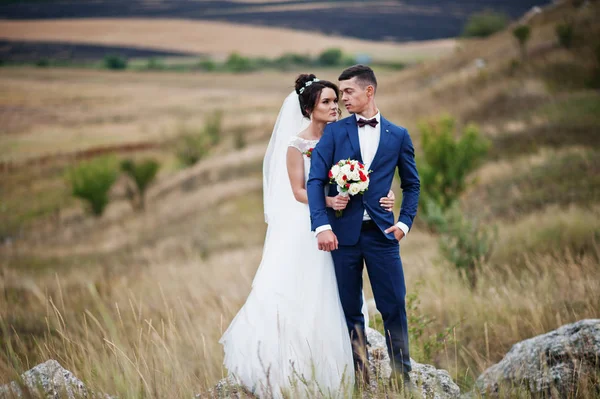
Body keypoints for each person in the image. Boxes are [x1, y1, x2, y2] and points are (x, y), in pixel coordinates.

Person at [219, 74, 397, 398]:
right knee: (309, 291)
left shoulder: (345, 137)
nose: (335, 106)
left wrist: (378, 194)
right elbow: (298, 191)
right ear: (309, 107)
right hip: (307, 225)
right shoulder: (296, 145)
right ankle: (300, 372)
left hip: (343, 226)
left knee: (343, 294)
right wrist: (328, 201)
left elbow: (365, 173)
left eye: (335, 100)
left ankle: (348, 369)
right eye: (327, 101)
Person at [307, 65, 420, 388]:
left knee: (394, 305)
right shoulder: (334, 132)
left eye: (348, 92)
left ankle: (403, 377)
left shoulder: (398, 135)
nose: (342, 99)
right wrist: (322, 226)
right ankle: (362, 376)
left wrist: (403, 224)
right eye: (340, 93)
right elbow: (316, 180)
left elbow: (412, 184)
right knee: (349, 309)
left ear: (369, 92)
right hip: (342, 236)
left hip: (384, 235)